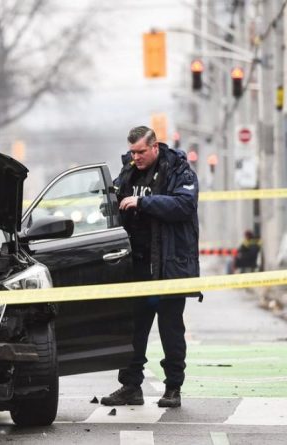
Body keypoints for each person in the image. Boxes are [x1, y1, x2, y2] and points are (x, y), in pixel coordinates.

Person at [100, 126, 200, 408]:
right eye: (132, 152)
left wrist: (143, 202)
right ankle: (131, 386)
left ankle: (173, 389)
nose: (136, 157)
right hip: (137, 266)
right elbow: (113, 203)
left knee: (171, 330)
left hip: (168, 267)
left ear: (155, 147)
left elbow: (184, 205)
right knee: (134, 330)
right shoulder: (128, 172)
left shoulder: (179, 170)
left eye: (141, 151)